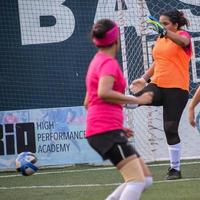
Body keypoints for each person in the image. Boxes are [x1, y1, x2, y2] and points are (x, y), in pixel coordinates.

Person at [84, 19, 153, 200]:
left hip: (106, 129)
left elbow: (88, 102)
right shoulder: (108, 63)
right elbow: (103, 93)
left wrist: (117, 126)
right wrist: (137, 99)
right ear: (116, 39)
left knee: (145, 179)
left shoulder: (97, 61)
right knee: (136, 181)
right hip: (104, 131)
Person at [130, 9, 192, 180]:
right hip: (157, 84)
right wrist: (143, 79)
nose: (162, 26)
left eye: (166, 23)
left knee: (170, 129)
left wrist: (166, 32)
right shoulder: (160, 39)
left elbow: (184, 41)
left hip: (177, 89)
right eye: (161, 23)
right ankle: (110, 100)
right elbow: (157, 62)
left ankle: (175, 169)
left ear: (175, 25)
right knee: (137, 98)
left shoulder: (182, 35)